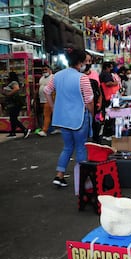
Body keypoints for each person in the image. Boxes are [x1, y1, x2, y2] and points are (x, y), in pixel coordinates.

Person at [44, 49, 94, 187]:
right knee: (80, 147)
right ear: (80, 62)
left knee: (67, 147)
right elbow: (89, 100)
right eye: (85, 61)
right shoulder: (82, 78)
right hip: (79, 118)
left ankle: (59, 175)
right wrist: (93, 113)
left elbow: (46, 91)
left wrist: (54, 107)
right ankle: (85, 180)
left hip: (62, 119)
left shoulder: (57, 76)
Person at [1, 71, 30, 138]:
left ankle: (24, 129)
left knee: (13, 118)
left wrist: (9, 94)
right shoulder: (10, 83)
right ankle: (13, 132)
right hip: (12, 104)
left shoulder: (14, 82)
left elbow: (16, 88)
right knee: (12, 118)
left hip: (15, 104)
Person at [84, 51, 102, 143]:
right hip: (81, 107)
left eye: (89, 61)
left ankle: (96, 145)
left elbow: (99, 91)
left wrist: (100, 102)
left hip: (94, 105)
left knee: (96, 126)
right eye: (85, 61)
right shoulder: (77, 75)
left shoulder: (95, 74)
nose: (87, 63)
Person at [100, 61, 121, 140]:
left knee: (108, 115)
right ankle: (108, 133)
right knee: (111, 116)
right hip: (110, 97)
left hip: (106, 97)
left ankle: (106, 133)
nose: (112, 69)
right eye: (111, 67)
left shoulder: (102, 74)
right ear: (107, 67)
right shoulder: (106, 74)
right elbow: (108, 83)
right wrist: (115, 83)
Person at [36, 64, 54, 137]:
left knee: (46, 115)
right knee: (49, 115)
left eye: (46, 69)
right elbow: (39, 87)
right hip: (42, 99)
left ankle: (44, 130)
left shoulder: (53, 77)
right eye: (43, 70)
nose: (44, 71)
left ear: (50, 70)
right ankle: (53, 128)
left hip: (50, 99)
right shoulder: (42, 78)